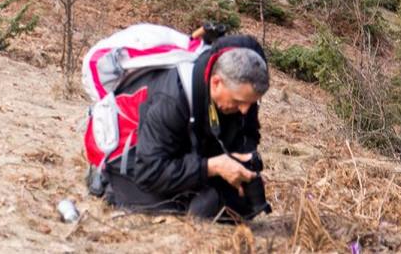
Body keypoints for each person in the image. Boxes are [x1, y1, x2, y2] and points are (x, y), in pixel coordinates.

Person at [86, 22, 273, 223]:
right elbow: (150, 170)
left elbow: (245, 133)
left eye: (250, 104)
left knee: (233, 205)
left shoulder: (235, 90)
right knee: (204, 207)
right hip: (133, 162)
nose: (245, 109)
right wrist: (212, 166)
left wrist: (241, 161)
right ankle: (107, 182)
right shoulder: (171, 99)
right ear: (217, 82)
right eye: (239, 102)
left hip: (176, 150)